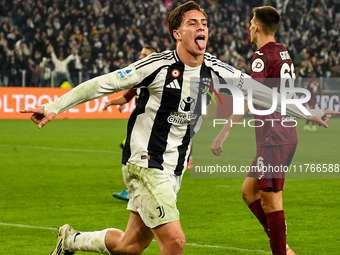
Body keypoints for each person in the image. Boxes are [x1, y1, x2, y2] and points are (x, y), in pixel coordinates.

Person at [21, 2, 334, 255]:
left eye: (205, 23)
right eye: (193, 23)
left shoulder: (214, 68)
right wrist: (52, 107)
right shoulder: (156, 66)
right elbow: (100, 85)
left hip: (174, 170)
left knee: (131, 245)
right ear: (176, 33)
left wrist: (309, 111)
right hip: (144, 164)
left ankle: (71, 240)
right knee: (175, 241)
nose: (201, 27)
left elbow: (263, 93)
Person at [211, 6, 306, 255]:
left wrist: (225, 130)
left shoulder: (262, 56)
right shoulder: (284, 52)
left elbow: (252, 96)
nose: (249, 26)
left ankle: (281, 251)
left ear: (258, 27)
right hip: (281, 133)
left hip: (273, 136)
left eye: (251, 21)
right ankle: (282, 247)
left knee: (271, 200)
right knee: (249, 191)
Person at [103, 45, 158, 202]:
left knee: (139, 159)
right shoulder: (139, 78)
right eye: (140, 53)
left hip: (151, 127)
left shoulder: (156, 78)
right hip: (139, 127)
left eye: (144, 54)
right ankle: (135, 190)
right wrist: (111, 102)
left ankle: (137, 191)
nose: (140, 57)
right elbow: (126, 97)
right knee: (134, 159)